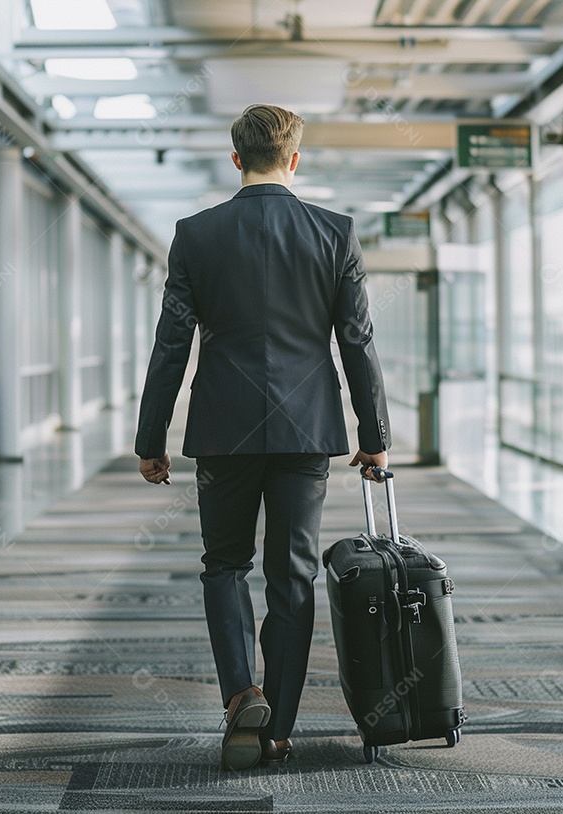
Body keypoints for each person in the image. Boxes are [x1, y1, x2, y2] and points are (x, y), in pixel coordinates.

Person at [135, 103, 390, 770]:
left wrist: (151, 436)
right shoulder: (334, 232)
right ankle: (279, 729)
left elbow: (170, 344)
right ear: (294, 159)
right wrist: (375, 434)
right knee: (293, 577)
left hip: (222, 429)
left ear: (235, 157)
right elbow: (357, 342)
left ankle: (240, 696)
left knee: (223, 564)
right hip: (307, 430)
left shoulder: (197, 234)